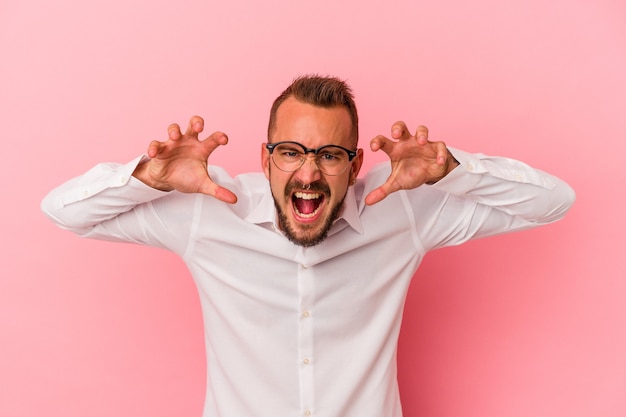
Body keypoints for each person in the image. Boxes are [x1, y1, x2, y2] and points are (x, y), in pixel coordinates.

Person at [41, 75, 575, 417]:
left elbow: (553, 201)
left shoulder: (403, 209)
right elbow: (63, 212)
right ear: (267, 156)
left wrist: (452, 170)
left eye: (331, 155)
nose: (309, 172)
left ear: (356, 164)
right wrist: (146, 177)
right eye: (292, 152)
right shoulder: (210, 210)